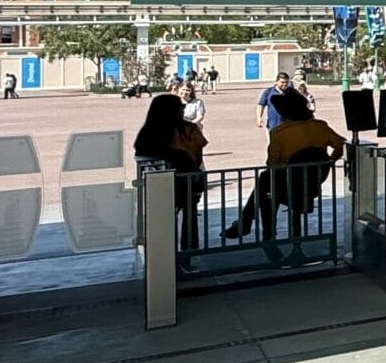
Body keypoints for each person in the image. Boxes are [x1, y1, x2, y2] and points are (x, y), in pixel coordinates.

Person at [223, 86, 344, 241]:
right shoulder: (320, 126)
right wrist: (328, 163)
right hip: (312, 183)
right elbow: (340, 146)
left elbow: (272, 164)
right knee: (266, 184)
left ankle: (259, 229)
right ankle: (246, 223)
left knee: (265, 184)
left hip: (288, 186)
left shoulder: (279, 133)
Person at [133, 91, 209, 249]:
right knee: (190, 216)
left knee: (163, 220)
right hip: (187, 181)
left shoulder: (147, 134)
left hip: (159, 185)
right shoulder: (189, 129)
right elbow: (198, 154)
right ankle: (189, 250)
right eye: (181, 107)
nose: (183, 109)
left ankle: (162, 251)